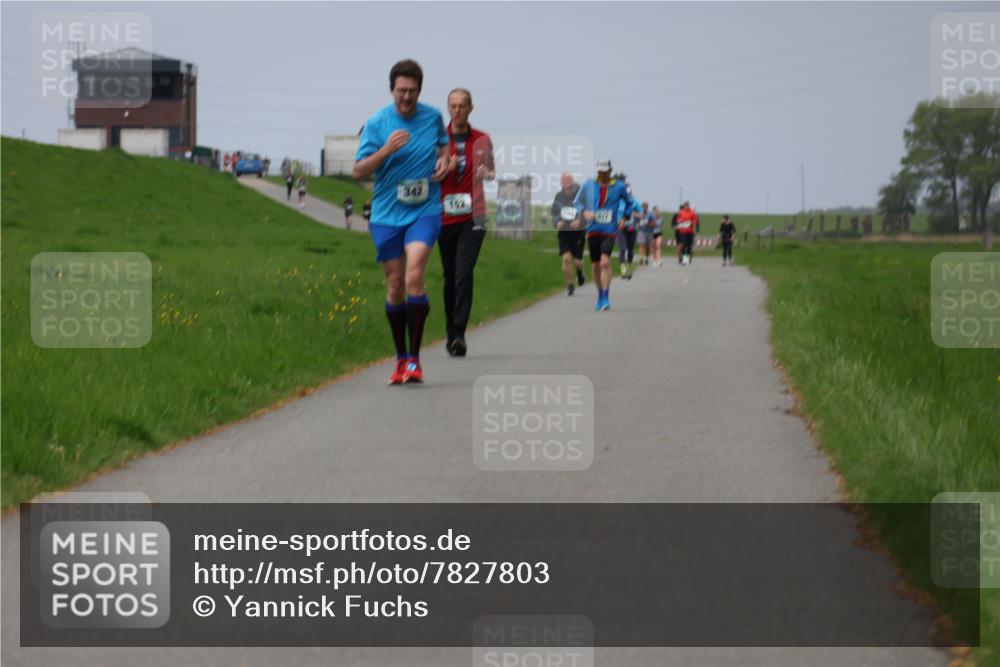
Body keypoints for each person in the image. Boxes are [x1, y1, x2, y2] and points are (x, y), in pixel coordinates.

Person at [352, 59, 449, 384]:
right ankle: (400, 358)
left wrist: (445, 164)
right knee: (394, 285)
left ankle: (415, 361)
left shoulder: (433, 117)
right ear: (391, 90)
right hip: (386, 214)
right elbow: (359, 171)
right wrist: (386, 150)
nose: (406, 97)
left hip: (425, 209)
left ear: (420, 90)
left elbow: (444, 150)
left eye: (412, 91)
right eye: (401, 91)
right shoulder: (378, 122)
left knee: (414, 275)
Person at [438, 87, 495, 357]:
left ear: (471, 108)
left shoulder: (483, 139)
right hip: (445, 215)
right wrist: (442, 171)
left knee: (463, 273)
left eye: (462, 106)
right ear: (448, 109)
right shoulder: (437, 138)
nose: (458, 110)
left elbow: (492, 170)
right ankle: (451, 332)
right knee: (450, 276)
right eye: (453, 106)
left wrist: (486, 172)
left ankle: (459, 333)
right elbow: (427, 176)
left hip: (475, 215)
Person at [574, 158, 641, 311]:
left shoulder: (619, 186)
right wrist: (585, 211)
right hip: (592, 229)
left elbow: (630, 203)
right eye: (599, 172)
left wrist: (624, 217)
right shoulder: (589, 184)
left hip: (609, 230)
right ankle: (600, 294)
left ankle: (605, 296)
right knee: (595, 265)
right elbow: (577, 202)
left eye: (605, 172)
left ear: (610, 171)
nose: (602, 175)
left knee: (605, 262)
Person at [551, 172, 585, 296]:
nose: (566, 181)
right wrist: (557, 222)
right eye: (564, 179)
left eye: (569, 179)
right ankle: (570, 286)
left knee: (578, 262)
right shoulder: (558, 196)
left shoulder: (580, 195)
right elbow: (554, 213)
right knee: (566, 259)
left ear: (572, 181)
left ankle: (580, 272)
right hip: (564, 232)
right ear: (561, 182)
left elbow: (586, 211)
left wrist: (580, 221)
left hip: (577, 232)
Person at [675, 201, 699, 266]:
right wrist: (681, 221)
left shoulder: (692, 213)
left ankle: (687, 259)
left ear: (689, 206)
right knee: (684, 245)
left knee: (689, 246)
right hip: (683, 231)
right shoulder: (681, 212)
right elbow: (678, 220)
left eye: (687, 206)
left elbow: (695, 222)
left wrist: (694, 228)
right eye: (685, 206)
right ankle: (684, 260)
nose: (686, 207)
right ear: (684, 206)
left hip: (690, 231)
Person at [636, 201, 653, 266]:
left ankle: (646, 258)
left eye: (646, 207)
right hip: (641, 231)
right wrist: (638, 224)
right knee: (642, 244)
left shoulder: (650, 214)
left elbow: (654, 224)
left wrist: (648, 223)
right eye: (643, 207)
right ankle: (641, 259)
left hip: (649, 232)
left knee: (647, 246)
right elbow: (636, 223)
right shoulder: (639, 214)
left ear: (647, 208)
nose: (644, 208)